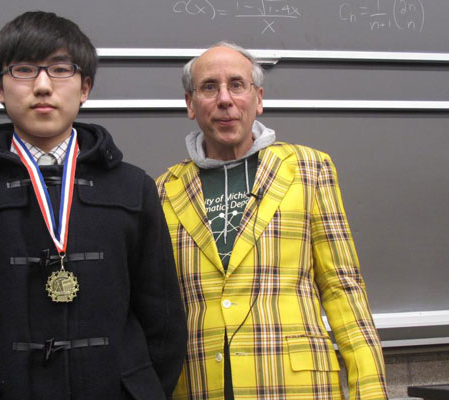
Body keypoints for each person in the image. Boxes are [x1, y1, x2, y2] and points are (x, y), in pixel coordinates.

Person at [0, 11, 186, 400]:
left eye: (61, 69)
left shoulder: (133, 189)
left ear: (85, 87)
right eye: (23, 70)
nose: (43, 86)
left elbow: (163, 320)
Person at [156, 41, 387, 400]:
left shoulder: (308, 169)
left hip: (297, 385)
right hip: (202, 384)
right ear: (190, 104)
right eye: (208, 87)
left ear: (258, 98)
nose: (224, 99)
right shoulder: (163, 190)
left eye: (236, 85)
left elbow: (343, 287)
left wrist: (369, 390)